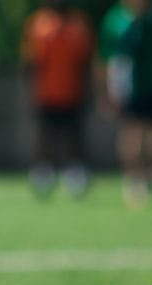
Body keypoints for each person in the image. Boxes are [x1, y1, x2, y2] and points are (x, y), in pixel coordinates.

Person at [99, 0, 152, 210]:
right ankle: (135, 179)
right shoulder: (115, 20)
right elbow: (105, 58)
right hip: (130, 88)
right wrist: (106, 91)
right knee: (133, 133)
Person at [23, 0, 96, 198]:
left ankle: (75, 174)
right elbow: (32, 63)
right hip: (47, 94)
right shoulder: (39, 24)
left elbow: (85, 63)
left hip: (73, 93)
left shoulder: (79, 26)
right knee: (46, 137)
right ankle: (43, 174)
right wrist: (31, 92)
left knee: (74, 136)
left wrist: (89, 90)